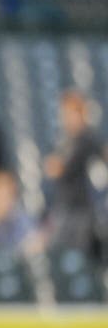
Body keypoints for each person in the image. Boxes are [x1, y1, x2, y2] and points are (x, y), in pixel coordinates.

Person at [44, 90, 106, 255]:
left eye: (72, 113)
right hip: (64, 208)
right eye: (65, 113)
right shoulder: (65, 140)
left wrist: (59, 166)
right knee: (59, 253)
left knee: (80, 257)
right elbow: (51, 168)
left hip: (81, 212)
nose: (67, 118)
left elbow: (60, 168)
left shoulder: (88, 139)